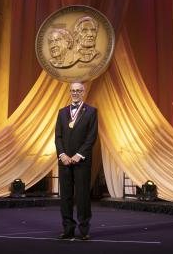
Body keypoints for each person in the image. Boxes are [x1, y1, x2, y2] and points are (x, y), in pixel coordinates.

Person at [55, 82, 98, 240]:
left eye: (78, 90)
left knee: (82, 196)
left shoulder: (92, 112)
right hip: (64, 161)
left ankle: (84, 230)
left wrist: (79, 155)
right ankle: (68, 229)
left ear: (83, 92)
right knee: (65, 197)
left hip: (82, 162)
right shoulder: (61, 112)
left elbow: (91, 137)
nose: (75, 93)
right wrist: (62, 155)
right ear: (69, 92)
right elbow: (58, 137)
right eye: (73, 90)